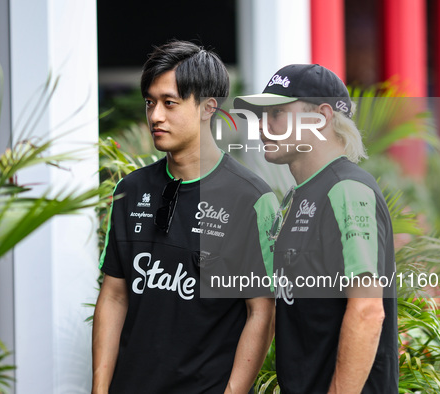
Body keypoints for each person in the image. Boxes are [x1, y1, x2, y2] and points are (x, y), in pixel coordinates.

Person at [92, 40, 277, 394]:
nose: (155, 116)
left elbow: (262, 312)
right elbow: (114, 295)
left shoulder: (250, 199)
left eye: (169, 103)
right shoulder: (130, 190)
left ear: (209, 107)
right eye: (150, 102)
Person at [234, 64, 398, 393]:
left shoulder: (348, 190)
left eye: (277, 113)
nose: (263, 127)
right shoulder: (296, 198)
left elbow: (367, 310)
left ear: (321, 116)